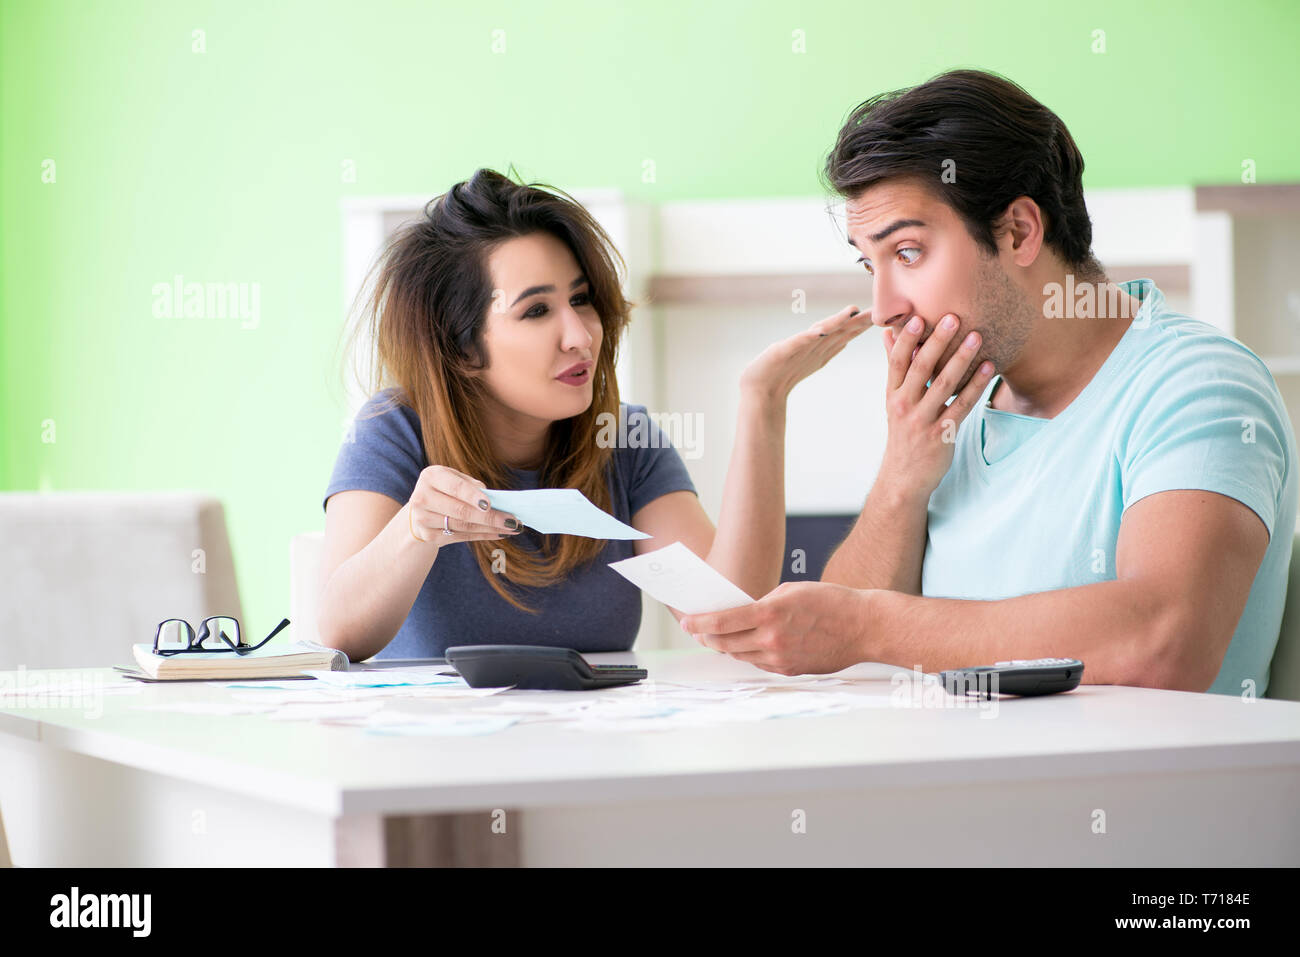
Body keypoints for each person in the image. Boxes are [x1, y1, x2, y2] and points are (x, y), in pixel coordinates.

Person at [680, 69, 1297, 696]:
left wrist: (871, 624)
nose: (885, 306)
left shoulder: (1199, 385)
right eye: (871, 263)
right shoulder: (962, 408)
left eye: (909, 253)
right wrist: (901, 477)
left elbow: (1165, 643)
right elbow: (843, 652)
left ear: (1019, 231)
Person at [319, 168, 870, 661]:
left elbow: (731, 610)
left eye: (580, 300)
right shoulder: (394, 431)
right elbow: (340, 634)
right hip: (432, 758)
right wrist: (415, 531)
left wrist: (764, 403)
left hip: (598, 754)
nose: (581, 336)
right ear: (461, 347)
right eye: (536, 310)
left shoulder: (626, 439)